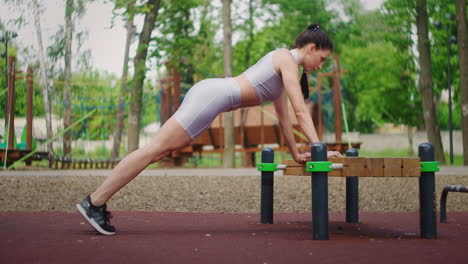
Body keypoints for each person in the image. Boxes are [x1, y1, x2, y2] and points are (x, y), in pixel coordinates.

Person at [77, 23, 342, 235]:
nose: (320, 66)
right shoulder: (285, 59)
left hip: (212, 97)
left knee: (156, 152)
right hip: (211, 96)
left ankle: (96, 202)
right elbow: (300, 111)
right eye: (321, 58)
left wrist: (298, 154)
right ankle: (95, 202)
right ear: (310, 48)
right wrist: (321, 150)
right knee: (154, 149)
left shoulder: (285, 69)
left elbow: (285, 119)